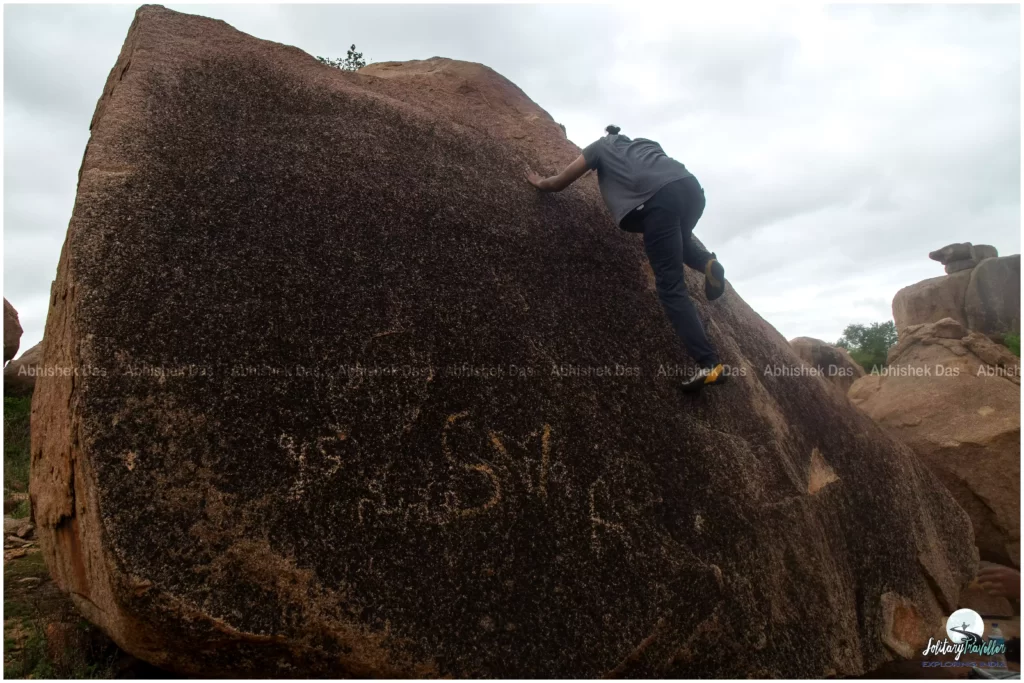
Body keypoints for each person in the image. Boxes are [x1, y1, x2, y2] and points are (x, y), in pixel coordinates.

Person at [526, 124, 727, 393]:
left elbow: (561, 181)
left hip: (654, 202)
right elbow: (662, 168)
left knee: (670, 288)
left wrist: (540, 182)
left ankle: (708, 363)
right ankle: (707, 263)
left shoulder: (599, 147)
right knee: (678, 237)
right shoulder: (646, 144)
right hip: (689, 189)